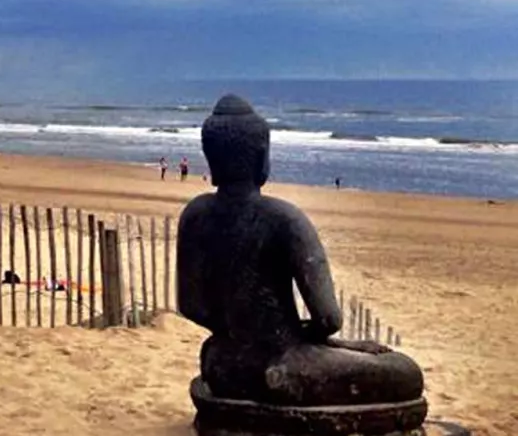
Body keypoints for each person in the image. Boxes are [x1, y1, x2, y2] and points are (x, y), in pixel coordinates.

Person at [176, 95, 423, 407]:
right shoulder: (284, 219)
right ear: (261, 156)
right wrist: (307, 337)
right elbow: (328, 319)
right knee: (405, 372)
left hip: (221, 363)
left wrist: (234, 332)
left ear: (210, 157)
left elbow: (190, 306)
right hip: (282, 363)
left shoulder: (195, 215)